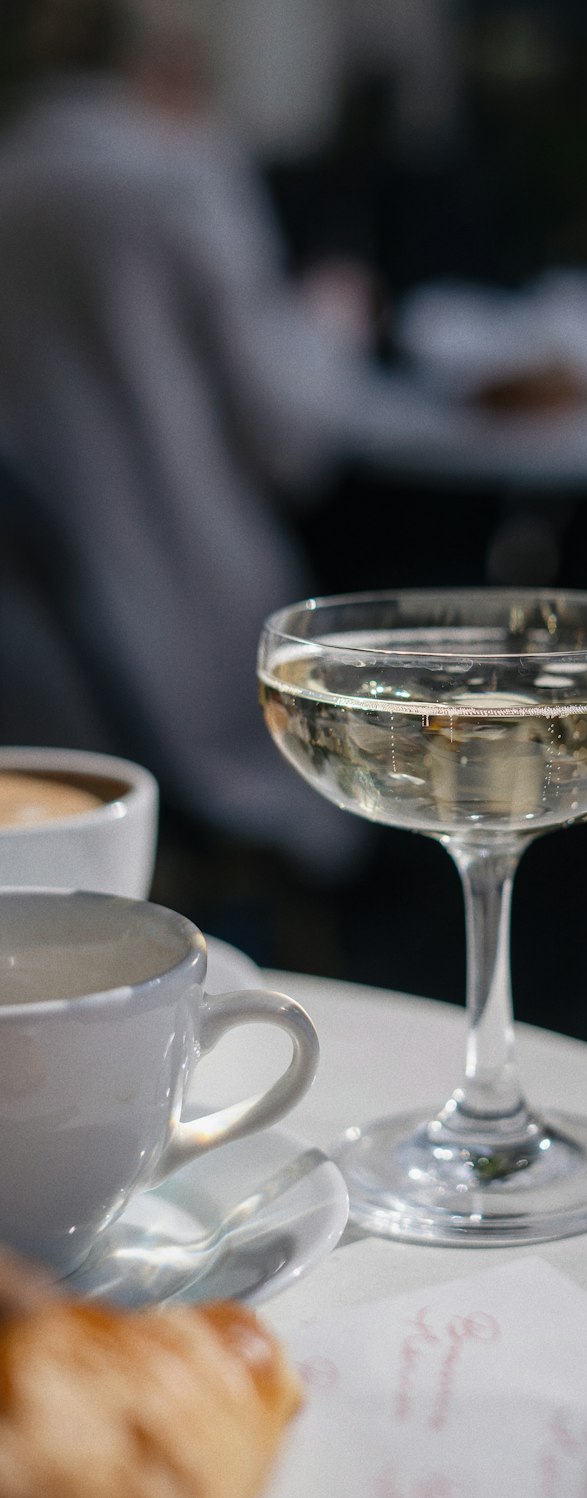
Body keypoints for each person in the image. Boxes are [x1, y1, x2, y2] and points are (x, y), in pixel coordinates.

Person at [0, 0, 372, 877]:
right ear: (169, 62)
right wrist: (332, 319)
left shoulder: (14, 179)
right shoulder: (178, 178)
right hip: (191, 617)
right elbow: (292, 436)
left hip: (49, 639)